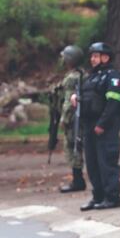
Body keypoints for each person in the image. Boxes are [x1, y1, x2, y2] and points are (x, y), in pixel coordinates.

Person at [75, 42, 120, 211]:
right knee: (92, 164)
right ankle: (98, 197)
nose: (92, 59)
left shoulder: (113, 76)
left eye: (96, 56)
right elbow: (88, 99)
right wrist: (76, 98)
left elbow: (113, 103)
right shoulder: (92, 77)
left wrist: (102, 124)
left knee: (106, 162)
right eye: (92, 56)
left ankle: (112, 198)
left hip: (105, 126)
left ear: (106, 57)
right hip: (90, 126)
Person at [54, 45, 86, 193]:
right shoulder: (80, 73)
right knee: (76, 147)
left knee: (73, 148)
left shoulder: (72, 78)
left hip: (73, 119)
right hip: (78, 118)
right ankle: (78, 180)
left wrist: (64, 119)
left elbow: (69, 102)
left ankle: (78, 181)